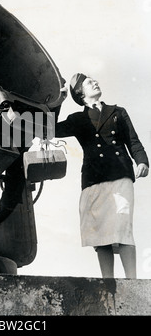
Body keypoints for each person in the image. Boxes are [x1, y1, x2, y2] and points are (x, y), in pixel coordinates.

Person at [55, 73, 149, 278]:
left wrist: (142, 161)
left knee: (122, 226)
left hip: (120, 175)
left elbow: (133, 141)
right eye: (89, 82)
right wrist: (59, 100)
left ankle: (131, 281)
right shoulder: (78, 119)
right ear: (80, 93)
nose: (95, 82)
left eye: (94, 80)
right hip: (93, 180)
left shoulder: (118, 112)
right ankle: (108, 282)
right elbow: (50, 129)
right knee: (101, 233)